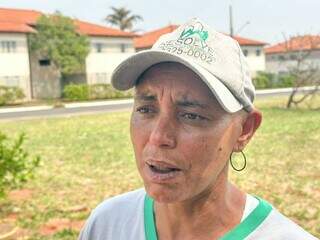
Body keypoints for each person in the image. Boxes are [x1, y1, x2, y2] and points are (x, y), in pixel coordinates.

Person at [78, 18, 318, 240]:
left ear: (244, 130)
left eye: (191, 115)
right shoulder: (106, 225)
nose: (158, 137)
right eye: (146, 109)